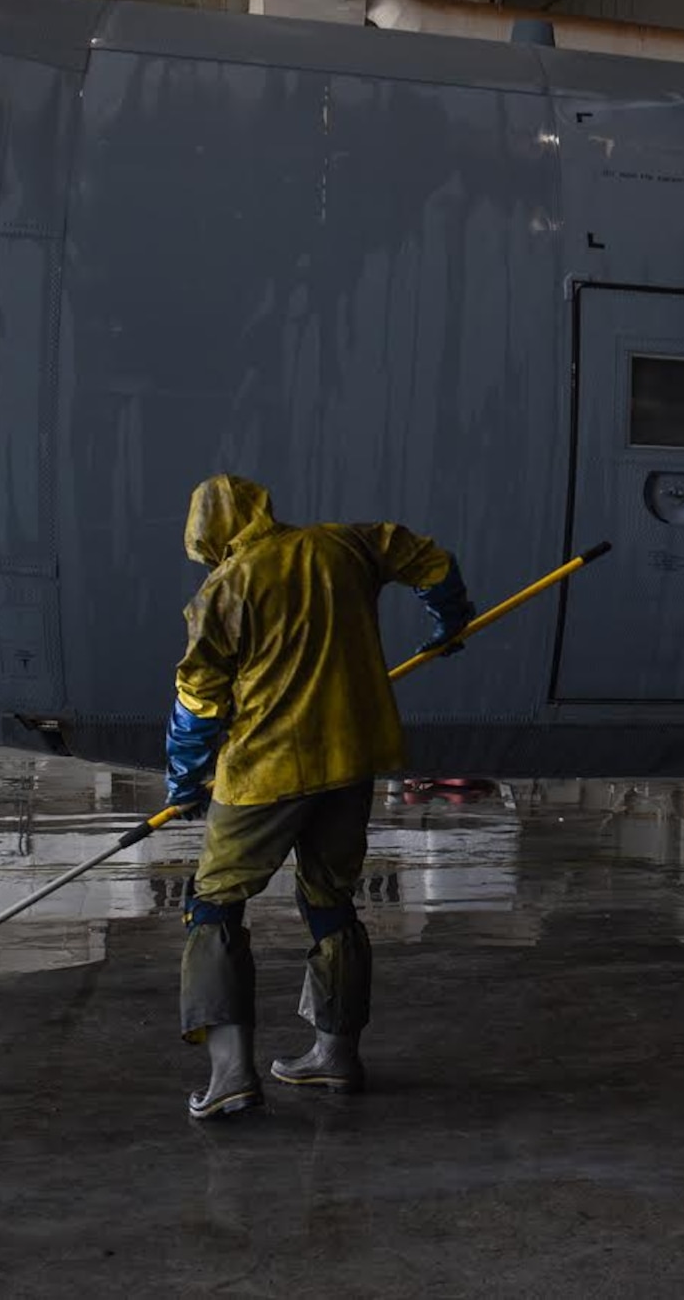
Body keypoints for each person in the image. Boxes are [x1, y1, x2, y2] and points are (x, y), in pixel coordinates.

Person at [164, 474, 474, 1119]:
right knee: (331, 902)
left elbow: (198, 700)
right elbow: (431, 560)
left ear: (210, 534)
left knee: (215, 907)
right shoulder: (345, 546)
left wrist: (185, 780)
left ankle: (229, 1079)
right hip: (348, 760)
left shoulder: (226, 589)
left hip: (264, 772)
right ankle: (334, 1056)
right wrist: (449, 623)